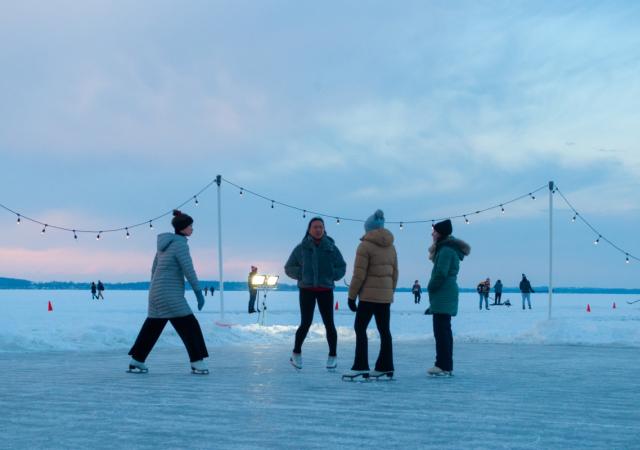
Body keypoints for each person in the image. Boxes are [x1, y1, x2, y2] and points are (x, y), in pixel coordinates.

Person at [127, 210, 209, 374]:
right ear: (183, 228)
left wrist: (155, 289)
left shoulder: (164, 245)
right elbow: (189, 270)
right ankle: (197, 362)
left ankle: (137, 360)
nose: (192, 229)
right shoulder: (179, 244)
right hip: (170, 294)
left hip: (156, 292)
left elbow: (154, 269)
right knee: (189, 326)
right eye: (190, 226)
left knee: (153, 326)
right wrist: (198, 292)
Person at [285, 217, 346, 371]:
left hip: (325, 290)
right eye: (315, 227)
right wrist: (303, 274)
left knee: (329, 324)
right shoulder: (301, 248)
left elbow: (342, 266)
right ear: (309, 229)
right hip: (307, 290)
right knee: (305, 323)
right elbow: (289, 267)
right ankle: (296, 353)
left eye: (320, 227)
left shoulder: (331, 247)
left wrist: (332, 274)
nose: (318, 229)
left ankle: (333, 356)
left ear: (324, 229)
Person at [344, 210, 398, 379]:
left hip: (367, 296)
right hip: (384, 297)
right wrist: (390, 292)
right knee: (384, 331)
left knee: (360, 328)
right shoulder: (391, 246)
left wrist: (351, 296)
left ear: (368, 229)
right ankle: (385, 366)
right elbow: (395, 273)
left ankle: (361, 365)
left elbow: (359, 274)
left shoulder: (365, 246)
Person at [426, 219, 470, 376]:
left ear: (441, 234)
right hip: (446, 293)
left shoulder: (445, 250)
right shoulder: (448, 249)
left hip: (443, 293)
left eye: (435, 232)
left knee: (441, 331)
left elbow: (440, 274)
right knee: (444, 330)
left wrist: (430, 286)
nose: (432, 234)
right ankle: (446, 365)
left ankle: (442, 365)